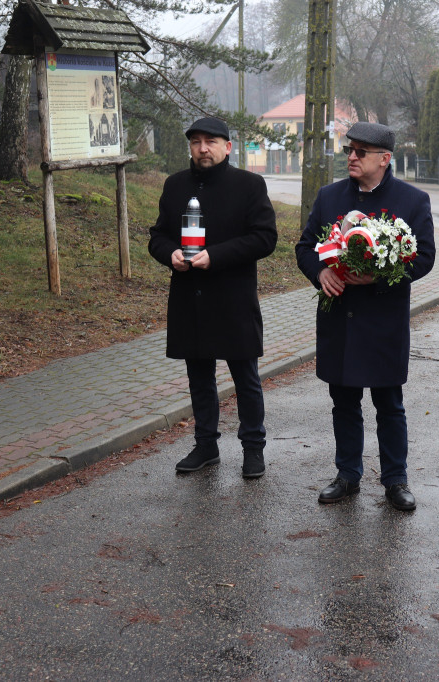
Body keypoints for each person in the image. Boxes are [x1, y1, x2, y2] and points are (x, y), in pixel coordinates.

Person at [295, 122, 436, 511]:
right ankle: (347, 474)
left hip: (383, 319)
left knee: (389, 403)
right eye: (349, 151)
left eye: (361, 152)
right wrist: (320, 272)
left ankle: (395, 480)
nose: (352, 157)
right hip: (340, 318)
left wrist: (380, 276)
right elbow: (306, 247)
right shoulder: (330, 196)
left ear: (385, 159)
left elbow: (424, 257)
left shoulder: (412, 200)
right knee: (343, 402)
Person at [148, 117, 278, 478]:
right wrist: (170, 253)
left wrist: (217, 255)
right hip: (191, 298)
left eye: (210, 141)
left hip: (233, 299)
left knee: (246, 379)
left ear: (228, 147)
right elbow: (157, 236)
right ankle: (206, 446)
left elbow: (265, 238)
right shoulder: (175, 186)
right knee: (199, 377)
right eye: (196, 142)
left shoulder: (249, 185)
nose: (202, 148)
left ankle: (253, 449)